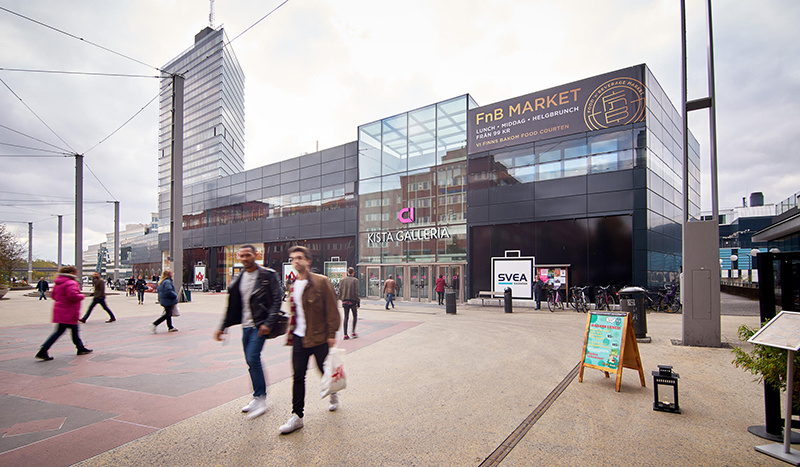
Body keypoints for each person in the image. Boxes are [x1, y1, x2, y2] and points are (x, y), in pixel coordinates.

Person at [214, 245, 282, 419]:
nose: (244, 258)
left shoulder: (267, 275)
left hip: (260, 326)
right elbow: (232, 305)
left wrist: (268, 322)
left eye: (247, 255)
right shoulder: (239, 278)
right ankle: (257, 396)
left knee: (253, 357)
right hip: (246, 327)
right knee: (251, 361)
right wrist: (223, 326)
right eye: (241, 256)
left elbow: (276, 299)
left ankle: (261, 399)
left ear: (255, 255)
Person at [279, 245, 341, 434]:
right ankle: (297, 416)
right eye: (292, 258)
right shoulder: (293, 285)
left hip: (320, 336)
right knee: (298, 376)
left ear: (308, 260)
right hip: (299, 338)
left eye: (299, 257)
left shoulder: (322, 282)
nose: (295, 261)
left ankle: (333, 392)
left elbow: (332, 308)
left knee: (323, 370)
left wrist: (331, 334)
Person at [36, 266, 92, 360]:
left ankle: (80, 347)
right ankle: (43, 350)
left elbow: (54, 295)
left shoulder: (58, 282)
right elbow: (72, 295)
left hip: (61, 310)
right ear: (72, 273)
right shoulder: (71, 282)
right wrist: (81, 296)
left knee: (73, 331)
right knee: (61, 331)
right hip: (69, 311)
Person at [338, 267, 359, 340]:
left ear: (347, 272)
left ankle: (345, 334)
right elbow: (356, 292)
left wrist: (341, 298)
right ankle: (353, 332)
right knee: (355, 316)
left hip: (345, 301)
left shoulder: (342, 280)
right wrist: (358, 301)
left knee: (346, 317)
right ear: (353, 273)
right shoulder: (355, 280)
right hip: (353, 301)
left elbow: (340, 290)